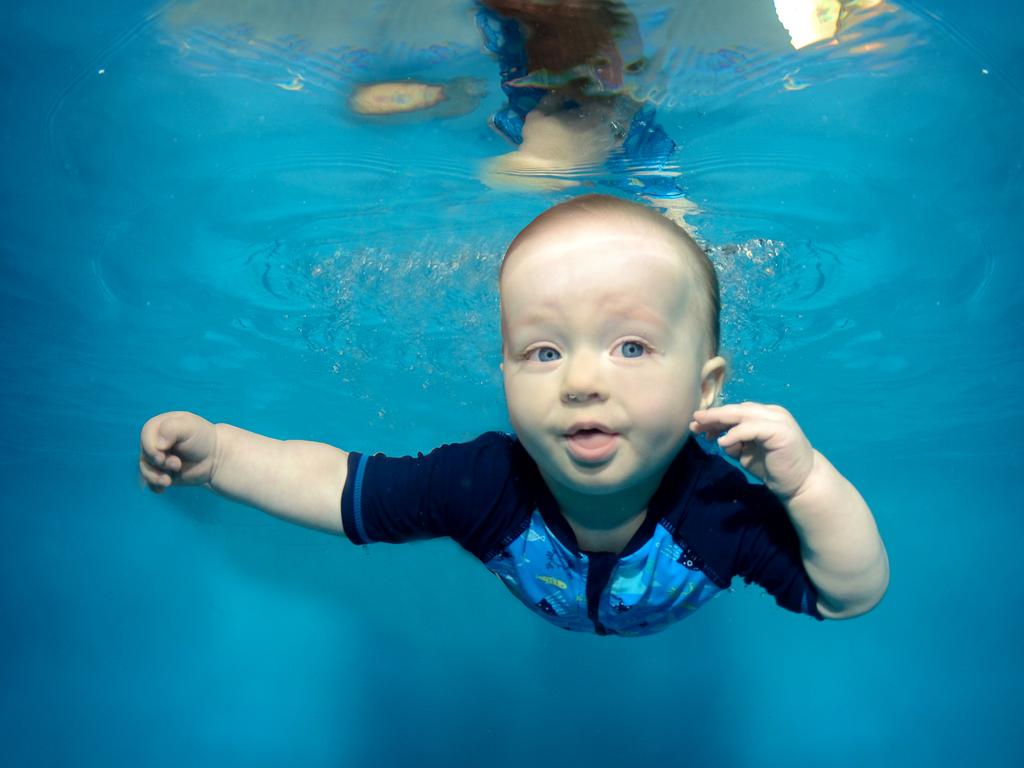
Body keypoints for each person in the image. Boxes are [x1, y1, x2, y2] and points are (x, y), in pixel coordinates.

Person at [139, 194, 889, 637]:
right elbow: (338, 485)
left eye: (631, 346)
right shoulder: (484, 482)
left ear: (706, 388)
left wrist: (808, 482)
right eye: (542, 352)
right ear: (503, 370)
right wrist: (221, 458)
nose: (582, 381)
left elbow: (849, 594)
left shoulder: (719, 512)